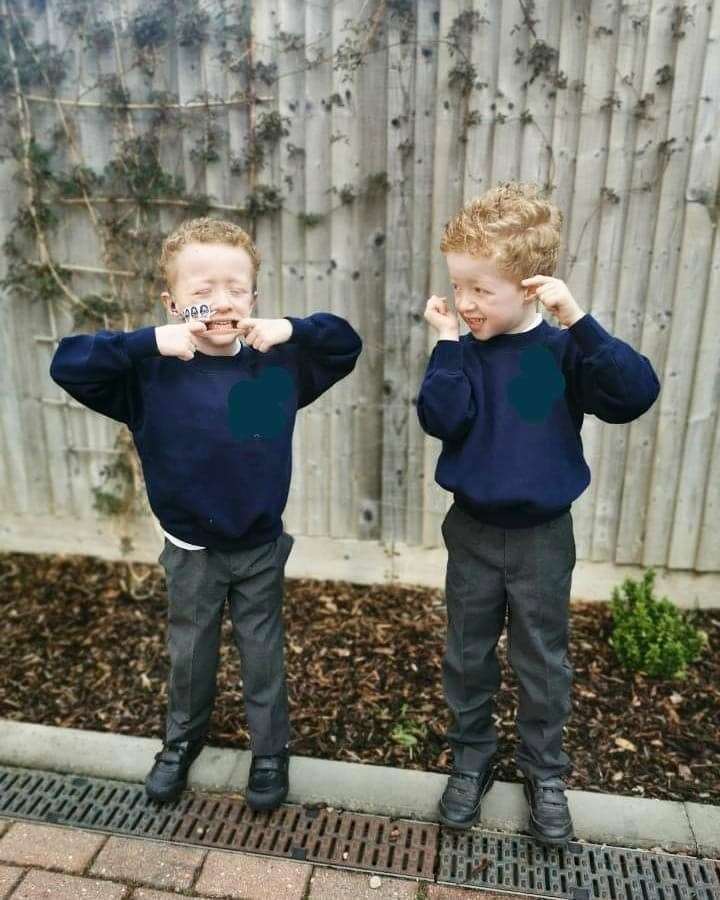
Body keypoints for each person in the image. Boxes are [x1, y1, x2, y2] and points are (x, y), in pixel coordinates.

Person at [49, 217, 362, 809]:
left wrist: (288, 329)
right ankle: (180, 743)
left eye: (235, 289)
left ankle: (270, 754)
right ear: (172, 303)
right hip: (191, 549)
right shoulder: (149, 373)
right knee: (190, 654)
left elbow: (344, 343)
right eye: (201, 292)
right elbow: (68, 363)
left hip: (260, 546)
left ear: (254, 299)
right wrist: (150, 341)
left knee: (261, 651)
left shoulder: (280, 365)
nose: (220, 302)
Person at [416, 181, 660, 844]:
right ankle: (470, 763)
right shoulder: (461, 353)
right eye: (458, 286)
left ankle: (545, 775)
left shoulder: (563, 352)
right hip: (471, 534)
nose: (464, 302)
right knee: (467, 657)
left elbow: (633, 394)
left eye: (479, 290)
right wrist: (444, 344)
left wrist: (580, 321)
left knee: (542, 660)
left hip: (543, 541)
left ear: (530, 288)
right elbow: (442, 418)